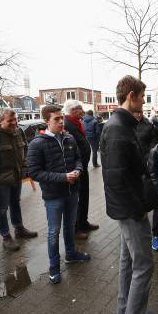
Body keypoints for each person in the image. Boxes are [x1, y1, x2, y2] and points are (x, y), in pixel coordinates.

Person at [101, 75, 158, 314]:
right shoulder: (117, 129)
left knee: (128, 261)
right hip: (130, 209)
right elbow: (118, 179)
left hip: (129, 206)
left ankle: (126, 312)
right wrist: (138, 210)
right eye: (141, 95)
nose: (143, 100)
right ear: (131, 96)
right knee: (143, 265)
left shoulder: (122, 125)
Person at [27, 105, 91, 284]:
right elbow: (34, 172)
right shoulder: (37, 143)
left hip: (72, 192)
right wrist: (63, 177)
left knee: (70, 227)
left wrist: (78, 171)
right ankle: (54, 266)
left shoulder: (69, 137)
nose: (61, 121)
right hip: (53, 195)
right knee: (54, 232)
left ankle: (70, 254)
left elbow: (78, 159)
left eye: (61, 118)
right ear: (47, 121)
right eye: (56, 119)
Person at [0, 108, 37, 251]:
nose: (14, 123)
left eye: (15, 119)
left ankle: (19, 228)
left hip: (16, 177)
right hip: (0, 180)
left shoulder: (19, 132)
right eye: (10, 120)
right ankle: (6, 236)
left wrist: (25, 169)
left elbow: (25, 151)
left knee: (15, 203)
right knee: (1, 208)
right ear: (0, 121)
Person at [63, 100, 99, 239]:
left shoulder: (78, 122)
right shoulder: (67, 124)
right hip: (75, 168)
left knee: (84, 195)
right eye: (79, 108)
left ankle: (83, 222)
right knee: (76, 198)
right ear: (71, 110)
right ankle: (75, 227)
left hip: (83, 166)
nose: (82, 110)